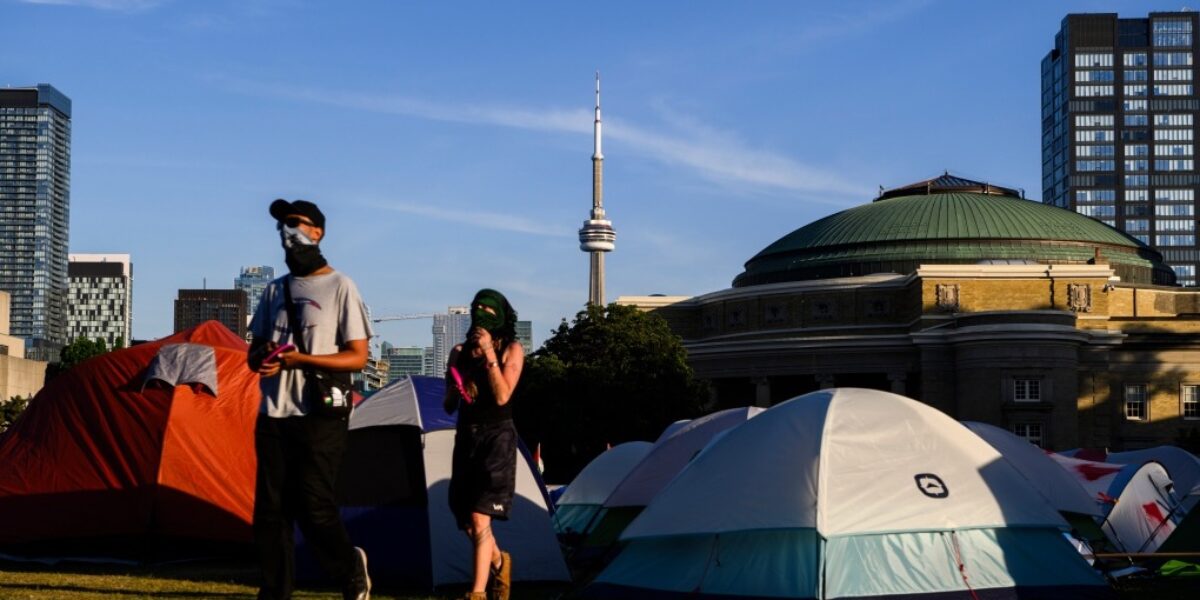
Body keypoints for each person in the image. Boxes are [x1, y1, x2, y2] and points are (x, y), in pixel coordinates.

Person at [247, 199, 373, 600]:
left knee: (314, 506)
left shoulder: (341, 286)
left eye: (296, 224)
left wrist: (299, 359)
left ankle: (349, 567)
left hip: (320, 413)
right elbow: (255, 349)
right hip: (274, 412)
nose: (288, 232)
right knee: (270, 514)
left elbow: (358, 355)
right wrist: (262, 359)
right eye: (282, 226)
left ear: (317, 232)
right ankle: (275, 592)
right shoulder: (274, 290)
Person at [444, 289, 525, 600]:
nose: (481, 314)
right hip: (466, 435)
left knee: (480, 517)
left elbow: (504, 395)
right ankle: (500, 562)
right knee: (466, 519)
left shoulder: (512, 350)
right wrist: (457, 388)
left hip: (497, 436)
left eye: (489, 311)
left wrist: (490, 354)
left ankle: (477, 593)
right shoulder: (459, 351)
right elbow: (449, 404)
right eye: (477, 308)